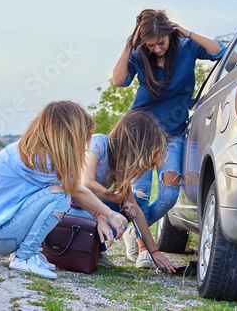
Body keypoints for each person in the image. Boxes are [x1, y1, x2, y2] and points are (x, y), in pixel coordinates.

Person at [112, 9, 226, 262]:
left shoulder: (187, 47)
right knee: (139, 195)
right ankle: (143, 249)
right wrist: (129, 47)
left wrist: (187, 32)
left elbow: (220, 51)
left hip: (173, 133)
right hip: (140, 133)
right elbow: (119, 81)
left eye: (160, 42)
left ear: (170, 33)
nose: (157, 49)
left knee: (168, 197)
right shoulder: (140, 55)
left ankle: (133, 231)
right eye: (150, 45)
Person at [0, 101, 128, 279]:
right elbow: (76, 190)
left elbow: (76, 190)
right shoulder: (43, 159)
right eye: (85, 135)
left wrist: (99, 215)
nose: (86, 143)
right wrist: (111, 215)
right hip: (0, 237)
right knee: (60, 195)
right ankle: (24, 256)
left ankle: (27, 253)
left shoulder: (33, 149)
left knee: (60, 192)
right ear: (70, 132)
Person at [68, 109, 177, 273]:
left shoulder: (120, 166)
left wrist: (154, 252)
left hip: (85, 208)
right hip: (66, 206)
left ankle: (93, 250)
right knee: (119, 213)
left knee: (132, 207)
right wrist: (118, 200)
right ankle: (85, 247)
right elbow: (86, 184)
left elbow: (137, 212)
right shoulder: (98, 143)